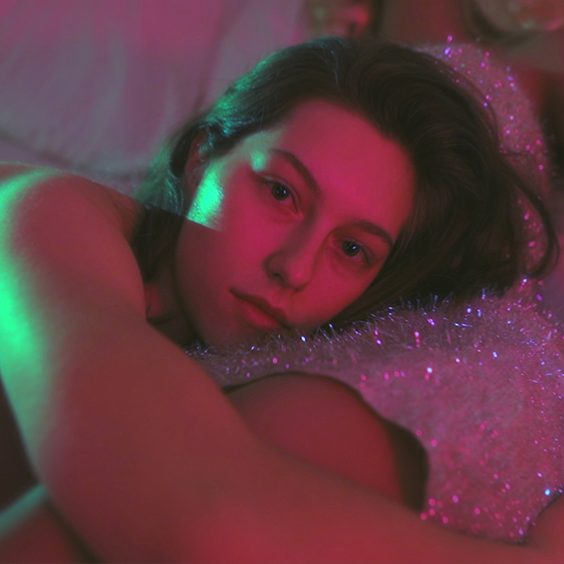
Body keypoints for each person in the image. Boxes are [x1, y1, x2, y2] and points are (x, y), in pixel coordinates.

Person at [0, 36, 561, 562]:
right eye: (281, 193)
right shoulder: (46, 216)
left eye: (351, 249)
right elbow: (195, 514)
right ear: (200, 158)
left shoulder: (254, 370)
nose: (293, 268)